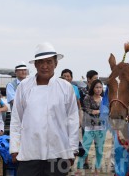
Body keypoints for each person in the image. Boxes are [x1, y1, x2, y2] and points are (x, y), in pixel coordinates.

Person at [10, 42, 79, 176]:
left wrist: (72, 149)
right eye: (40, 62)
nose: (45, 66)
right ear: (35, 64)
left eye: (49, 62)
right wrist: (14, 148)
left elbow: (73, 119)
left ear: (56, 63)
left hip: (59, 152)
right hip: (29, 152)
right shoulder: (24, 87)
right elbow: (16, 119)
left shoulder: (65, 87)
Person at [77, 79, 106, 176]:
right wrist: (99, 111)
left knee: (99, 150)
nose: (98, 89)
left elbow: (108, 111)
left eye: (100, 87)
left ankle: (97, 170)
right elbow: (88, 110)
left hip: (101, 128)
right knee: (84, 150)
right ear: (93, 88)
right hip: (89, 128)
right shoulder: (87, 98)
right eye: (96, 87)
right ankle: (79, 169)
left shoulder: (104, 99)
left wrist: (98, 112)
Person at [79, 69, 98, 169]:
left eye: (97, 78)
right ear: (89, 79)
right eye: (95, 78)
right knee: (86, 141)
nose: (96, 80)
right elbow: (82, 106)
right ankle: (85, 162)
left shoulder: (99, 91)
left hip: (98, 121)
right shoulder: (82, 91)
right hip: (86, 120)